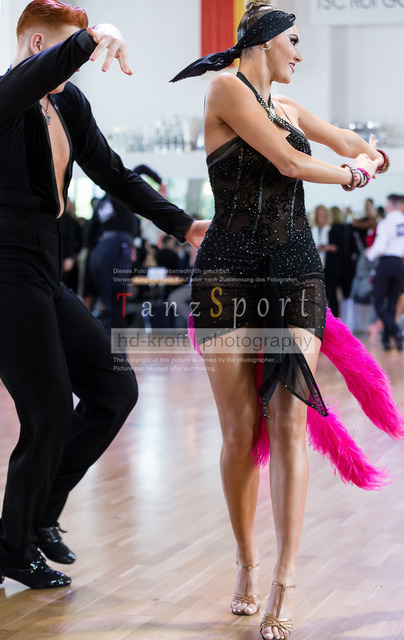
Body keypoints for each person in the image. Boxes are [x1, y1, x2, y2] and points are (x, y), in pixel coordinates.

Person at [171, 1, 396, 638]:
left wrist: (370, 153)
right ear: (264, 41)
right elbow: (291, 163)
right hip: (227, 273)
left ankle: (285, 578)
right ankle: (247, 562)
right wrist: (352, 174)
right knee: (241, 429)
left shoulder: (291, 109)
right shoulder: (226, 90)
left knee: (291, 419)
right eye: (293, 40)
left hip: (295, 269)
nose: (299, 52)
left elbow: (345, 141)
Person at [0, 0, 208, 590]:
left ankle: (39, 515)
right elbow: (33, 79)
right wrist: (97, 36)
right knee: (46, 411)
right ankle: (12, 547)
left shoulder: (69, 102)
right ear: (38, 45)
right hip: (5, 267)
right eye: (74, 51)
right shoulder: (7, 96)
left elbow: (113, 172)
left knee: (114, 390)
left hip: (44, 266)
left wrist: (182, 225)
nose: (81, 66)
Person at [366, 194, 404, 350]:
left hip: (386, 264)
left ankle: (395, 331)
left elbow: (380, 246)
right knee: (392, 303)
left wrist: (370, 254)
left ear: (390, 206)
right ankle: (387, 340)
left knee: (379, 302)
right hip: (400, 265)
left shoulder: (385, 222)